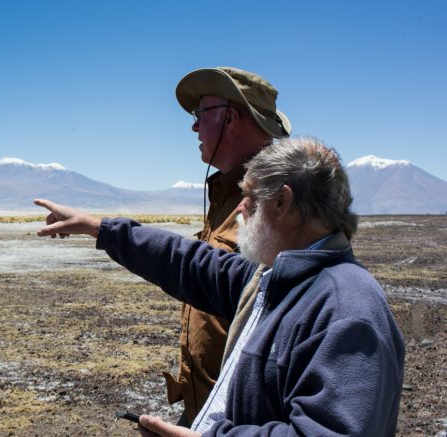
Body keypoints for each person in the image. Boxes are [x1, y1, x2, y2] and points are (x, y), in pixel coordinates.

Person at [34, 137, 405, 436]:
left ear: (282, 202)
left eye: (249, 196)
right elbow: (189, 263)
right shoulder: (276, 281)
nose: (240, 209)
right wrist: (98, 227)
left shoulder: (346, 308)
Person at [168, 66, 292, 425]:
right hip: (205, 416)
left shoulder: (279, 203)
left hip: (242, 422)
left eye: (200, 114)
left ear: (231, 118)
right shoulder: (223, 195)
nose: (193, 127)